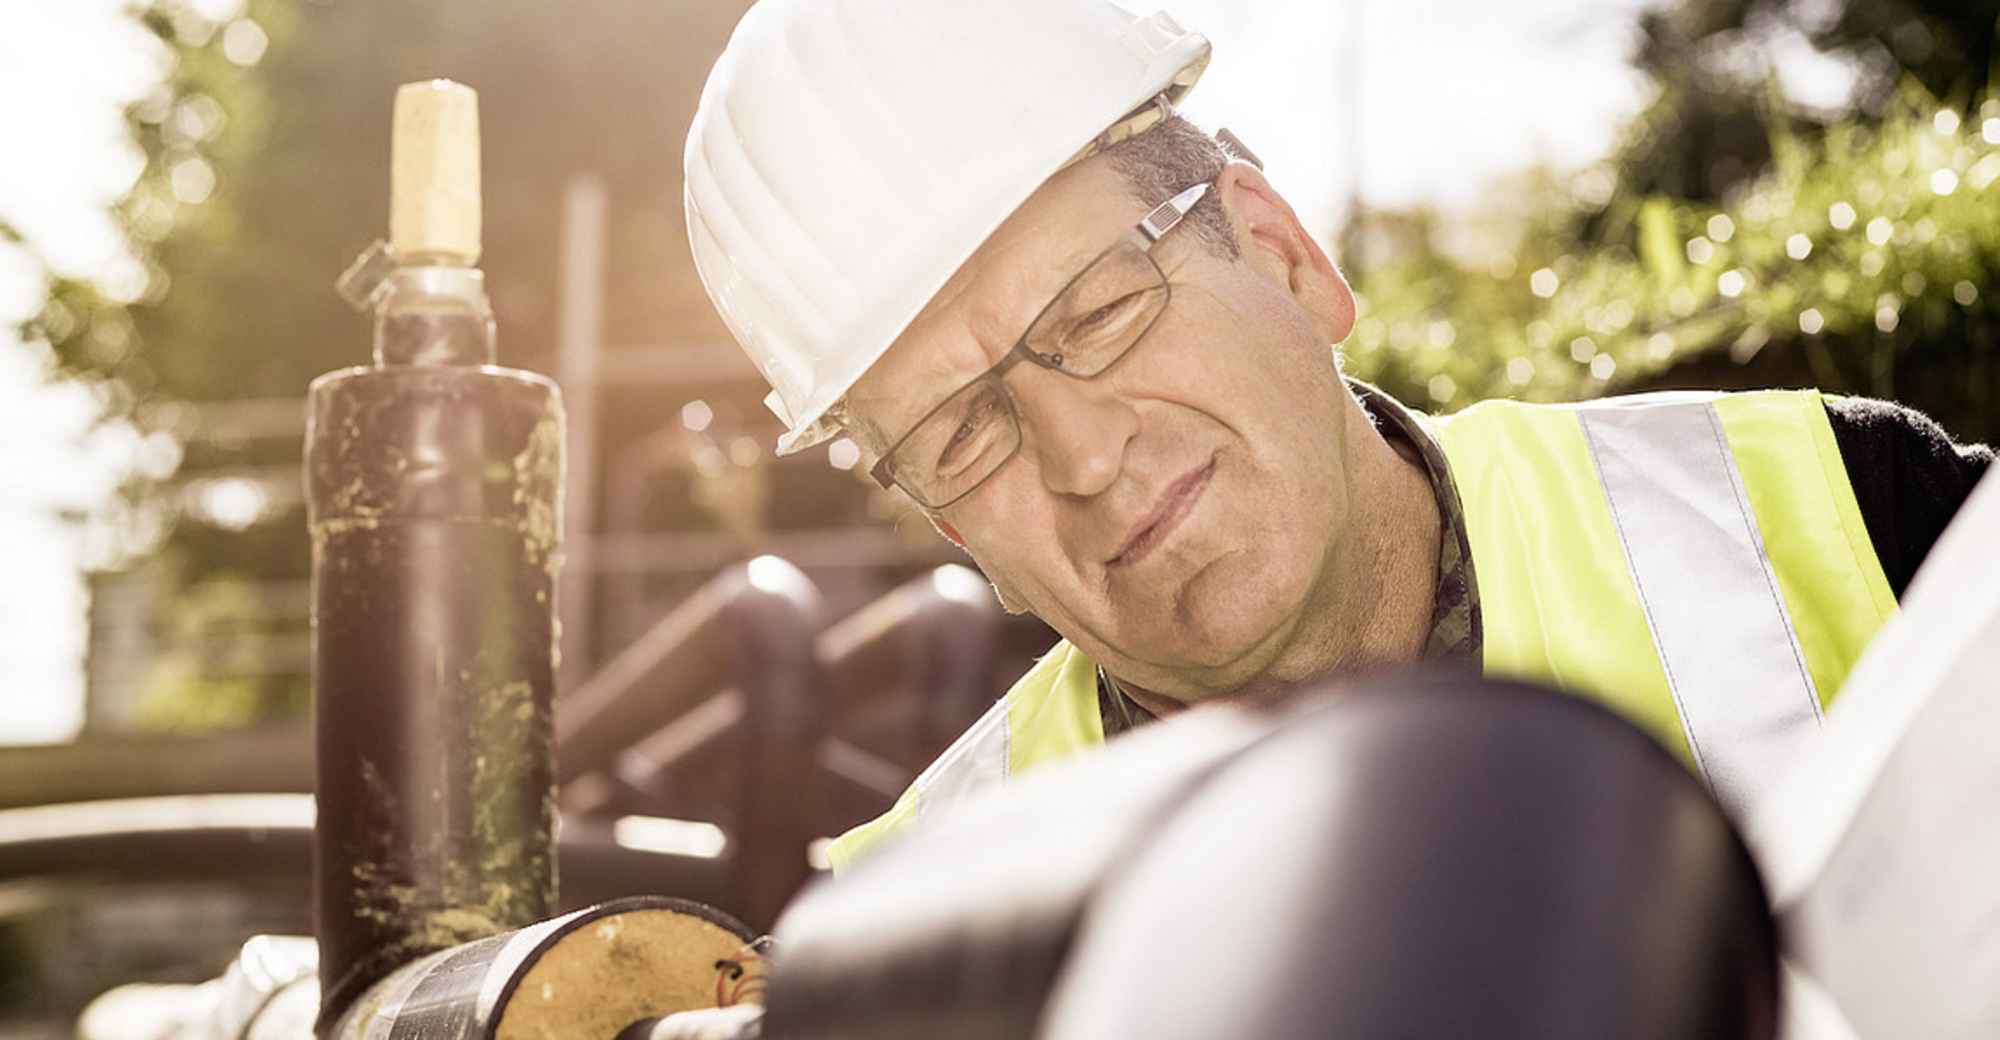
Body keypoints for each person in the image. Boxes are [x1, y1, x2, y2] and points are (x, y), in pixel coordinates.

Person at [682, 0, 1992, 872]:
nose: (1082, 458)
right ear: (954, 531)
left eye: (1097, 312)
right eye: (964, 431)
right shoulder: (914, 917)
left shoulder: (1853, 520)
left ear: (1282, 252)